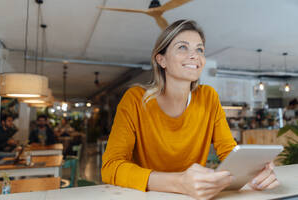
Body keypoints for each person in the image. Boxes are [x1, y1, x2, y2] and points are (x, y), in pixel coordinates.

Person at [101, 20, 279, 200]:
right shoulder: (135, 100)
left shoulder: (209, 97)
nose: (194, 56)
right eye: (183, 47)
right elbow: (111, 166)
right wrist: (179, 183)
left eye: (199, 49)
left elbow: (228, 151)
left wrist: (252, 171)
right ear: (161, 59)